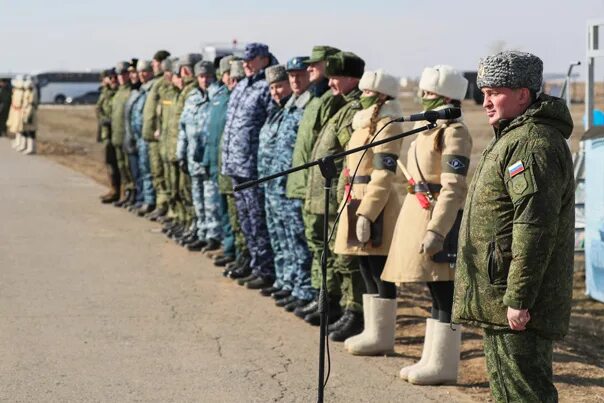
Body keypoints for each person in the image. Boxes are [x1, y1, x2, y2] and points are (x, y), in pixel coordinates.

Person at [452, 51, 574, 402]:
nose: (485, 100)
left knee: (525, 394)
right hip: (500, 292)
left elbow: (533, 228)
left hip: (518, 302)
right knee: (508, 392)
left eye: (495, 92)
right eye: (484, 91)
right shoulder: (512, 136)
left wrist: (519, 299)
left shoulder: (533, 143)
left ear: (524, 94)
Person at [382, 65, 470, 385]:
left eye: (430, 94)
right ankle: (431, 358)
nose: (422, 97)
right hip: (420, 214)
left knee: (444, 290)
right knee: (433, 290)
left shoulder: (454, 133)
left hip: (438, 218)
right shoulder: (428, 130)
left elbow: (453, 188)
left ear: (447, 98)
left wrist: (437, 229)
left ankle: (443, 365)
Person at [332, 69, 403, 355]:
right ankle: (371, 331)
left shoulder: (389, 124)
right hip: (354, 198)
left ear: (382, 95)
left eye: (368, 93)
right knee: (364, 267)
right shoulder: (362, 123)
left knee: (379, 270)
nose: (362, 97)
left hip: (375, 204)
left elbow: (384, 174)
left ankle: (382, 336)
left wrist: (368, 212)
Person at [304, 51, 366, 342]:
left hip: (337, 196)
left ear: (352, 79)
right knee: (326, 252)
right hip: (322, 193)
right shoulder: (339, 105)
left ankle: (353, 311)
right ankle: (332, 302)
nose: (330, 83)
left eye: (336, 78)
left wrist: (344, 196)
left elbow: (350, 157)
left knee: (344, 258)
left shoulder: (354, 110)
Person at [286, 45, 344, 320]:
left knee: (326, 246)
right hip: (307, 182)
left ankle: (329, 300)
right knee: (314, 242)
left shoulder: (332, 99)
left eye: (314, 65)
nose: (309, 69)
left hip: (323, 186)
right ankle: (320, 295)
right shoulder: (315, 98)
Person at [260, 57, 316, 313]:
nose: (295, 80)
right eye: (291, 76)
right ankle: (289, 282)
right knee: (282, 234)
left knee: (297, 237)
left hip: (292, 184)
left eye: (299, 75)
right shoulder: (288, 106)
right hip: (276, 182)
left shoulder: (308, 106)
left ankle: (303, 289)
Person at [221, 43, 277, 289]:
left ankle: (265, 270)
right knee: (244, 219)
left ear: (264, 59)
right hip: (235, 164)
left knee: (257, 220)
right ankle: (253, 263)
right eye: (245, 59)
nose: (245, 63)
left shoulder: (267, 87)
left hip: (253, 166)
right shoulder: (242, 85)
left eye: (251, 59)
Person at [256, 64, 293, 300]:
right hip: (270, 183)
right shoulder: (275, 110)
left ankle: (296, 286)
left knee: (291, 239)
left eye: (279, 86)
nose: (276, 92)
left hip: (285, 185)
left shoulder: (292, 110)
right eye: (272, 88)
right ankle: (283, 280)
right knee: (278, 236)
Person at [176, 60, 218, 250]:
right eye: (201, 76)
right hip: (193, 158)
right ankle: (201, 231)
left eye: (208, 76)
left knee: (211, 200)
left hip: (209, 159)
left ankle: (213, 235)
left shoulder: (217, 96)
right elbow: (183, 128)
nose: (205, 80)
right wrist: (181, 153)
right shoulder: (192, 97)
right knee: (198, 198)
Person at [203, 56, 239, 266]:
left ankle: (232, 249)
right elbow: (211, 132)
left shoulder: (235, 97)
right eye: (226, 74)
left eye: (232, 74)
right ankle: (227, 246)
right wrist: (208, 160)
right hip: (217, 161)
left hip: (232, 165)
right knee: (222, 209)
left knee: (233, 213)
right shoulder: (219, 97)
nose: (228, 78)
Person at [162, 54, 202, 241]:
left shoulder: (191, 92)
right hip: (176, 149)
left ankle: (191, 223)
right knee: (179, 189)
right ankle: (184, 220)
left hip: (188, 152)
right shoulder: (182, 92)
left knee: (188, 191)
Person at [220, 60, 252, 276]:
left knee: (249, 222)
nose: (234, 83)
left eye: (238, 79)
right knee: (236, 217)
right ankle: (241, 255)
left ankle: (247, 258)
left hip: (246, 170)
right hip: (231, 167)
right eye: (231, 79)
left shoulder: (245, 100)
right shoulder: (230, 101)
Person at [140, 49, 171, 218]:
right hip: (150, 136)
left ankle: (163, 204)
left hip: (158, 136)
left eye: (155, 63)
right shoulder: (156, 83)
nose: (153, 66)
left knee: (160, 172)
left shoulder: (161, 84)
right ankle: (159, 203)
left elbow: (163, 111)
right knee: (154, 172)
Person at [129, 60, 157, 214]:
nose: (141, 75)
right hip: (139, 137)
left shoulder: (152, 89)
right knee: (143, 169)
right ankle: (146, 199)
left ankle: (150, 200)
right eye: (140, 72)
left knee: (149, 171)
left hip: (147, 137)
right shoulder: (142, 90)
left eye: (145, 71)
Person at [110, 61, 134, 207]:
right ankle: (125, 193)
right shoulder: (118, 92)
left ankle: (131, 193)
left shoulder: (130, 92)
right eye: (119, 74)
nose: (121, 77)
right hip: (116, 136)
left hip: (126, 136)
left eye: (124, 74)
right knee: (121, 167)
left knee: (128, 167)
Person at [97, 69, 120, 203]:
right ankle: (113, 189)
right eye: (109, 78)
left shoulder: (116, 93)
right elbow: (99, 108)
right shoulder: (106, 92)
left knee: (117, 164)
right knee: (110, 162)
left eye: (113, 78)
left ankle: (118, 191)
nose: (112, 81)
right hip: (107, 132)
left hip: (116, 132)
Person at [123, 58, 142, 210]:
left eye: (136, 72)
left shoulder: (142, 91)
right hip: (130, 137)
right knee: (133, 171)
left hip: (139, 139)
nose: (134, 76)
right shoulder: (133, 90)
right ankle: (136, 196)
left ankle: (141, 198)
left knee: (142, 173)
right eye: (132, 73)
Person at [19, 77, 39, 155]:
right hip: (26, 111)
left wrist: (28, 115)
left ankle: (31, 148)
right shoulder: (28, 91)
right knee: (26, 130)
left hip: (30, 112)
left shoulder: (33, 91)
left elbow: (31, 103)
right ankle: (27, 146)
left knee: (31, 130)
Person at [8, 76, 26, 151]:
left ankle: (22, 144)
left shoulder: (23, 92)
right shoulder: (15, 91)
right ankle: (18, 142)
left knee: (21, 128)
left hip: (20, 111)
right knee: (16, 127)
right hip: (15, 111)